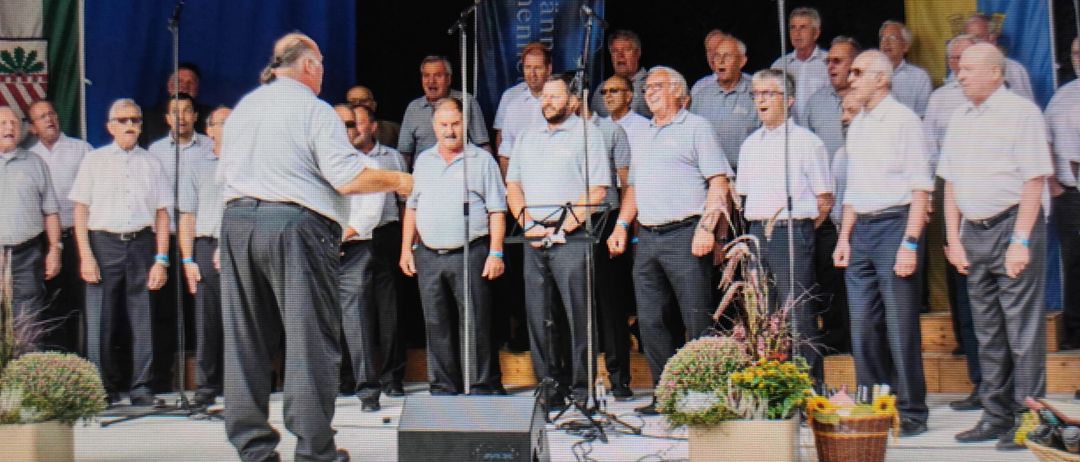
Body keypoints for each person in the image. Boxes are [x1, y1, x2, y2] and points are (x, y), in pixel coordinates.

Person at [218, 32, 412, 462]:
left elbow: (225, 175)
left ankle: (253, 451)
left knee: (245, 340)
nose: (323, 71)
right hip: (294, 226)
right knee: (310, 341)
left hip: (236, 223)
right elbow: (347, 177)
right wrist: (400, 179)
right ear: (308, 65)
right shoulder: (314, 109)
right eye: (321, 63)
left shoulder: (245, 108)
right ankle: (314, 452)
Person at [943, 43, 1051, 451]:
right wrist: (953, 238)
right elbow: (950, 182)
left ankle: (1029, 418)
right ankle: (995, 414)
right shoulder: (959, 117)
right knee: (986, 330)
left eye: (969, 68)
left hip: (1011, 226)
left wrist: (1020, 241)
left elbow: (1034, 180)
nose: (960, 75)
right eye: (960, 68)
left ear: (995, 73)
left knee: (1021, 330)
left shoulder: (1022, 114)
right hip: (973, 231)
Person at [607, 66, 731, 414]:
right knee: (650, 321)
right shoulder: (643, 134)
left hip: (685, 233)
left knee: (696, 317)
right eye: (647, 87)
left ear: (678, 91)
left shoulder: (697, 127)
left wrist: (707, 229)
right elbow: (634, 188)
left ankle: (706, 395)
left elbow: (718, 182)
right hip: (647, 237)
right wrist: (621, 225)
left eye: (658, 86)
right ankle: (666, 394)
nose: (650, 92)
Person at [833, 50, 932, 437]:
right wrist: (844, 237)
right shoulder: (857, 124)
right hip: (862, 229)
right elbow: (853, 189)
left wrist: (910, 243)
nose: (851, 78)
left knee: (900, 324)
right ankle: (874, 404)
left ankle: (912, 410)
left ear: (881, 78)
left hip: (895, 224)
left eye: (858, 72)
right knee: (862, 325)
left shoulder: (904, 121)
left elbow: (921, 187)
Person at [506, 73, 611, 408]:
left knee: (578, 316)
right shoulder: (527, 135)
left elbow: (597, 190)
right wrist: (528, 224)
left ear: (573, 101)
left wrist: (562, 228)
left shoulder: (588, 134)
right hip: (534, 236)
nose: (547, 102)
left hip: (572, 237)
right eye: (544, 97)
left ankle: (582, 392)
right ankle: (550, 388)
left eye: (555, 96)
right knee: (540, 316)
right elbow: (513, 185)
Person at [400, 97, 507, 397]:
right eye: (444, 125)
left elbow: (497, 210)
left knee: (476, 323)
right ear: (434, 126)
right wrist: (406, 249)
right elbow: (412, 208)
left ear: (465, 124)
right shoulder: (423, 161)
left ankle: (482, 386)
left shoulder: (482, 160)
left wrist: (496, 252)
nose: (450, 131)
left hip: (470, 252)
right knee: (436, 323)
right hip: (429, 254)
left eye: (455, 124)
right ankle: (443, 387)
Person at [69, 99, 170, 407]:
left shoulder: (152, 163)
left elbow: (162, 214)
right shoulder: (94, 161)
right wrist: (86, 255)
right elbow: (80, 211)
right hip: (104, 243)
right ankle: (101, 388)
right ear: (110, 126)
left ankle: (142, 387)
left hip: (141, 243)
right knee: (101, 318)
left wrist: (161, 259)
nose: (130, 126)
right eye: (123, 120)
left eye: (135, 120)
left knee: (143, 318)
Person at [737, 68, 831, 383]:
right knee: (762, 311)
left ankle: (808, 385)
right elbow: (744, 193)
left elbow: (824, 199)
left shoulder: (807, 142)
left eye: (768, 94)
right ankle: (771, 382)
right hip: (757, 231)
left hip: (791, 230)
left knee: (797, 312)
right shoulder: (750, 144)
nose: (760, 100)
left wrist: (800, 231)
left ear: (789, 100)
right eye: (756, 94)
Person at [335, 103, 408, 412]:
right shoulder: (314, 165)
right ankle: (330, 385)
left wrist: (335, 238)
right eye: (339, 125)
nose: (345, 131)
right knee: (314, 320)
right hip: (319, 250)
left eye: (350, 125)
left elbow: (368, 216)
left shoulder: (370, 168)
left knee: (358, 322)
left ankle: (368, 392)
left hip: (355, 249)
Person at [924, 34, 983, 412]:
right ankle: (980, 381)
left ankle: (1009, 391)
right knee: (962, 287)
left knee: (989, 298)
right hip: (952, 189)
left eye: (969, 60)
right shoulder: (943, 101)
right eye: (957, 60)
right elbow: (932, 151)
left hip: (990, 200)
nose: (962, 69)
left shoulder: (1008, 106)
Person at [147, 91, 213, 389]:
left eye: (187, 111)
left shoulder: (210, 148)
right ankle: (162, 379)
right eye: (175, 112)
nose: (181, 117)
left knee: (203, 310)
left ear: (196, 116)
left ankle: (207, 379)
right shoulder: (155, 152)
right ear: (166, 118)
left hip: (200, 240)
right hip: (165, 240)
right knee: (164, 311)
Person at [26, 100, 92, 353]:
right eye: (41, 117)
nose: (49, 120)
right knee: (52, 306)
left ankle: (88, 363)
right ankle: (60, 362)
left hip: (79, 238)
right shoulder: (30, 157)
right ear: (32, 128)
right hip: (44, 242)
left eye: (51, 114)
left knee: (83, 302)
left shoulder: (81, 150)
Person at [177, 106, 230, 408]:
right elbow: (187, 216)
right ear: (209, 130)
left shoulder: (250, 162)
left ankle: (240, 387)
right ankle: (206, 387)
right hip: (207, 246)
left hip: (240, 246)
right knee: (207, 321)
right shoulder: (196, 166)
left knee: (242, 319)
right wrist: (188, 260)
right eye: (224, 123)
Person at [0, 105, 61, 332]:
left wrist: (55, 249)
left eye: (14, 123)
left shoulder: (36, 163)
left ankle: (25, 356)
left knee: (28, 324)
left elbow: (50, 212)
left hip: (27, 254)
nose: (10, 128)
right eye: (3, 123)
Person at [1045, 37, 1080, 396]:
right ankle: (1075, 332)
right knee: (1074, 262)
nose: (1079, 58)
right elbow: (1046, 140)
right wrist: (1054, 184)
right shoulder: (1063, 96)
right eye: (1075, 53)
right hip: (1072, 194)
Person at [398, 56, 490, 165]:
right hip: (425, 171)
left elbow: (483, 145)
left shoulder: (466, 101)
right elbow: (405, 153)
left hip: (461, 170)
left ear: (448, 79)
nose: (431, 81)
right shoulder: (413, 108)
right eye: (426, 76)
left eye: (437, 75)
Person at [689, 35, 759, 167]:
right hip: (707, 172)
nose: (720, 61)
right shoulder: (701, 97)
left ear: (742, 61)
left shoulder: (757, 93)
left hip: (746, 171)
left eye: (727, 56)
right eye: (717, 56)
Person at [494, 42, 551, 175]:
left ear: (549, 69)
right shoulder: (513, 104)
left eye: (538, 68)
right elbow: (505, 149)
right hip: (520, 177)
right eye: (527, 67)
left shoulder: (561, 100)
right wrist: (508, 184)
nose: (532, 74)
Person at [772, 7, 829, 118]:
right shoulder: (779, 66)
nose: (796, 33)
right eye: (793, 28)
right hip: (789, 127)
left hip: (820, 125)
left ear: (816, 33)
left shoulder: (829, 62)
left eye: (803, 27)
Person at [963, 13, 1034, 102]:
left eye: (977, 38)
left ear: (992, 39)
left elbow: (1026, 106)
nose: (972, 43)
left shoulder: (1014, 69)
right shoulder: (959, 70)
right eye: (969, 39)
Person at [140, 63, 211, 147]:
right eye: (179, 81)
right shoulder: (147, 117)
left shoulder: (211, 117)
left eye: (190, 82)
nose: (184, 86)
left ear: (197, 88)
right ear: (169, 85)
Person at [592, 30, 651, 118]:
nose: (620, 55)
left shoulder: (652, 85)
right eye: (615, 51)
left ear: (638, 53)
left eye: (626, 50)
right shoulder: (602, 89)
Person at [878, 21, 932, 117]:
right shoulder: (869, 73)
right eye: (883, 38)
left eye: (892, 38)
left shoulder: (919, 77)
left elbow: (923, 115)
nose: (886, 42)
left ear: (905, 47)